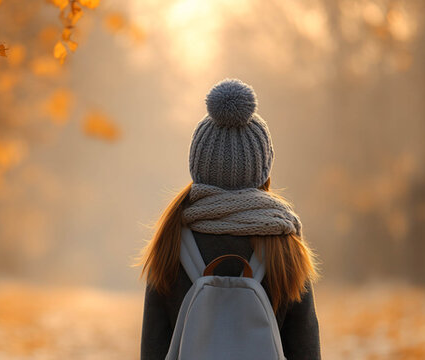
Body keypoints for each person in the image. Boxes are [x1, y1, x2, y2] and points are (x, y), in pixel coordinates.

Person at [138, 79, 321, 359]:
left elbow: (154, 346)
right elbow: (304, 347)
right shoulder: (285, 243)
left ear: (197, 165)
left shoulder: (172, 237)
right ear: (263, 167)